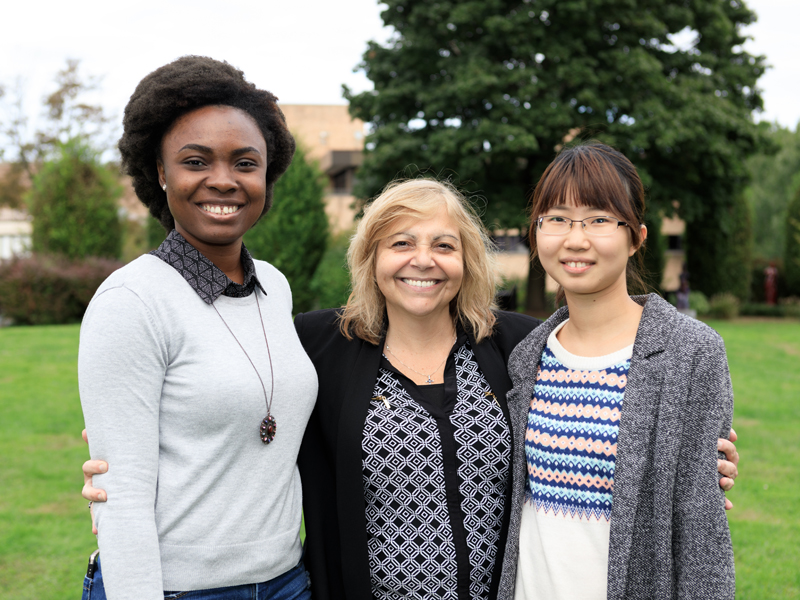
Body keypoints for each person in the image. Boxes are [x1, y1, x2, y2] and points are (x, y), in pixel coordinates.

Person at [81, 179, 740, 599]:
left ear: (467, 262)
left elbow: (612, 392)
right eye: (400, 242)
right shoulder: (317, 345)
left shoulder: (520, 345)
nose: (422, 259)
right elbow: (231, 385)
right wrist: (136, 445)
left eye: (444, 245)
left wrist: (692, 460)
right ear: (370, 257)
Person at [78, 56, 316, 600]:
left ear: (267, 174)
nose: (223, 181)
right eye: (195, 161)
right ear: (160, 173)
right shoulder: (131, 301)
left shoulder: (273, 288)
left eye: (245, 162)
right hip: (178, 589)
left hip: (287, 578)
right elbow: (124, 494)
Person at [495, 142, 736, 600]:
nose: (575, 238)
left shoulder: (691, 353)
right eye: (557, 218)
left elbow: (702, 531)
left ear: (636, 237)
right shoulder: (527, 355)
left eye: (599, 219)